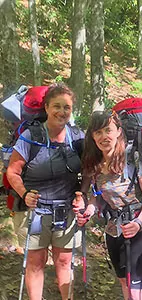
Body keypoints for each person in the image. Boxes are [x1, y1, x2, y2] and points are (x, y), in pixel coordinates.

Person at [7, 83, 85, 300]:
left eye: (67, 107)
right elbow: (13, 171)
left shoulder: (78, 137)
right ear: (47, 107)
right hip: (34, 211)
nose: (62, 112)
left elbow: (90, 170)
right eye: (57, 106)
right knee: (36, 262)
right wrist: (24, 193)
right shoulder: (31, 136)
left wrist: (84, 196)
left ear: (72, 110)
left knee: (64, 261)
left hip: (67, 210)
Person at [73, 111, 142, 300]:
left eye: (108, 130)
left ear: (118, 131)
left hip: (139, 229)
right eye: (98, 132)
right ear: (92, 137)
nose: (104, 137)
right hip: (113, 230)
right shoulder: (96, 164)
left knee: (135, 290)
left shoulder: (134, 159)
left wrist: (138, 223)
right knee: (124, 283)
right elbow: (98, 196)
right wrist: (89, 211)